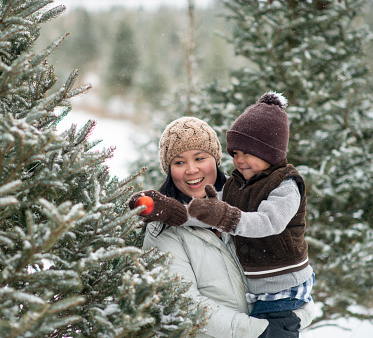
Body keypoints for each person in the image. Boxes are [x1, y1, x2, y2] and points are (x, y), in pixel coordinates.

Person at [128, 116, 314, 337]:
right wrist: (261, 331)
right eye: (179, 162)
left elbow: (293, 284)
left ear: (215, 160)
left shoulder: (248, 205)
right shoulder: (163, 230)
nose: (191, 169)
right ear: (169, 171)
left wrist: (296, 319)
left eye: (200, 158)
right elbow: (184, 303)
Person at [187, 92, 314, 337]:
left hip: (282, 289)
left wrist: (227, 218)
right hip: (255, 288)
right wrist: (172, 212)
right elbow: (207, 212)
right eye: (234, 153)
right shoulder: (237, 185)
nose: (239, 160)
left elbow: (269, 222)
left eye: (247, 153)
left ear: (270, 152)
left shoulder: (286, 185)